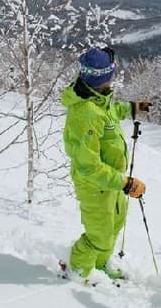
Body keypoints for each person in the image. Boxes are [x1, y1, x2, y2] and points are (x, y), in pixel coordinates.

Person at [61, 46, 152, 281]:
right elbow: (87, 166)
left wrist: (132, 108)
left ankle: (100, 265)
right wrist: (125, 183)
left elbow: (111, 112)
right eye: (111, 73)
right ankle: (78, 269)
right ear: (103, 76)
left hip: (111, 181)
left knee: (115, 223)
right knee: (99, 234)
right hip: (95, 185)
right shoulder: (86, 113)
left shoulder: (98, 96)